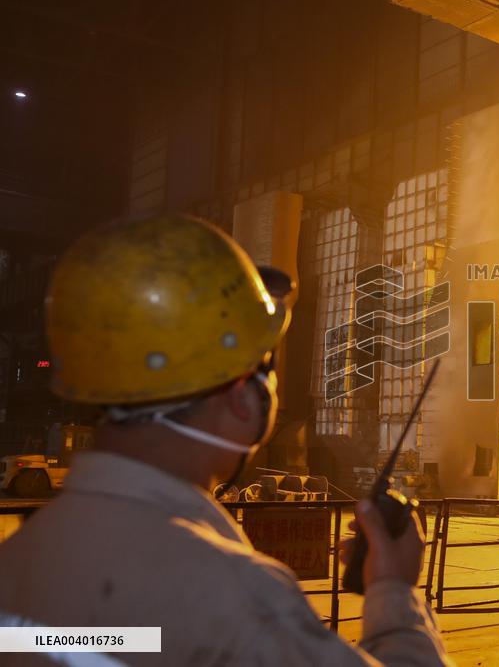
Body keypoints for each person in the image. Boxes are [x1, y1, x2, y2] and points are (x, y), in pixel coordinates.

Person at [0, 214, 451, 666]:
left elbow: (123, 643)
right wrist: (393, 594)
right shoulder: (238, 603)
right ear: (241, 396)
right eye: (265, 367)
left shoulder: (16, 567)